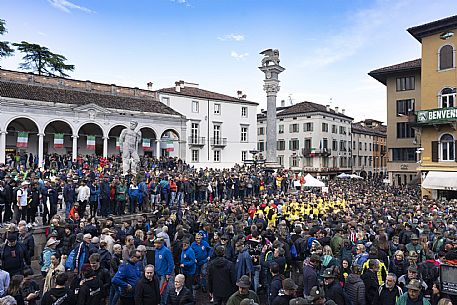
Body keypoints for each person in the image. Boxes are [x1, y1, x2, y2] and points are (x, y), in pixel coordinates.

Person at [154, 237, 174, 305]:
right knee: (158, 289)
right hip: (157, 273)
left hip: (163, 274)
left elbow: (171, 263)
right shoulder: (156, 250)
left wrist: (168, 273)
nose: (154, 245)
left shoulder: (166, 251)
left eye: (156, 243)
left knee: (162, 290)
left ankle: (163, 302)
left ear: (160, 243)